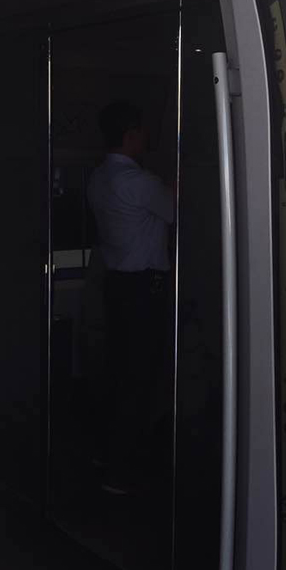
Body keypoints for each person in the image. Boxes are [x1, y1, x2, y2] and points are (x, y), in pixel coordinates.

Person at [86, 100, 175, 494]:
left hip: (116, 285)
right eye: (141, 132)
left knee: (117, 371)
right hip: (143, 289)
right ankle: (121, 472)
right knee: (139, 379)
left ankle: (104, 453)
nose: (146, 139)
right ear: (130, 135)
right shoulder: (139, 183)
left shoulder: (98, 178)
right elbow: (176, 211)